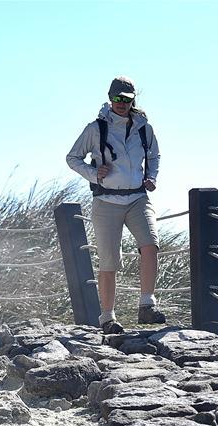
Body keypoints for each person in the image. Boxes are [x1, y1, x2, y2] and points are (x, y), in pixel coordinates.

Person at [66, 76, 165, 334]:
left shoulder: (145, 127)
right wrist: (93, 173)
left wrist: (151, 177)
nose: (122, 103)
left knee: (151, 245)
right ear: (110, 98)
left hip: (137, 198)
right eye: (118, 98)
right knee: (109, 261)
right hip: (105, 201)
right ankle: (107, 319)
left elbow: (154, 155)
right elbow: (72, 157)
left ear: (133, 100)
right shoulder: (95, 128)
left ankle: (146, 305)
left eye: (127, 99)